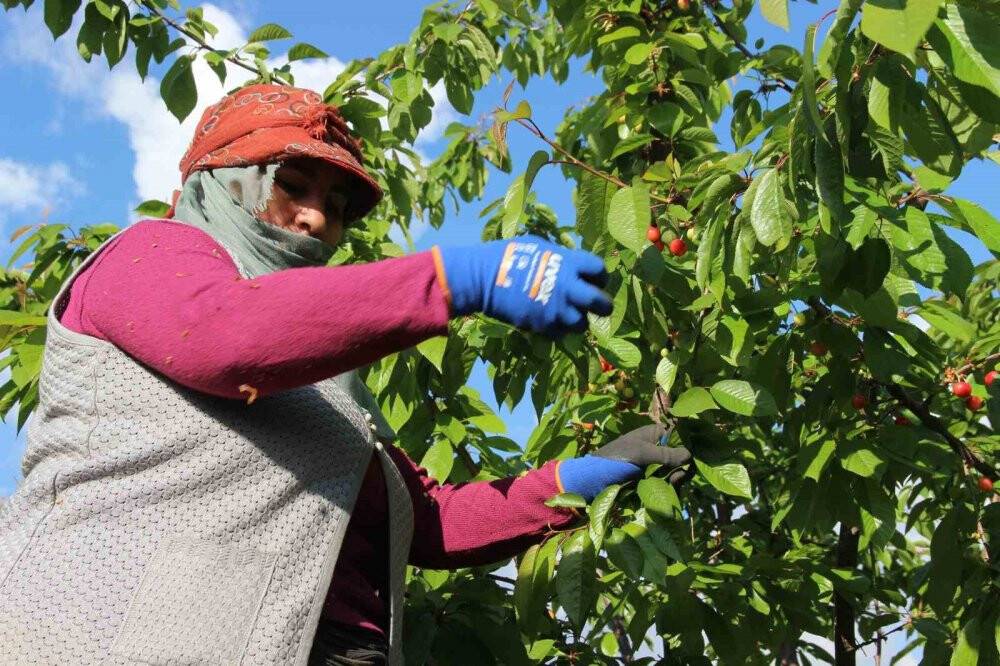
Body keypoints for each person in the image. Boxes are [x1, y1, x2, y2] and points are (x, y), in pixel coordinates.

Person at [0, 84, 691, 665]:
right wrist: (456, 280)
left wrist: (579, 479)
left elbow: (427, 524)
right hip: (115, 638)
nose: (315, 218)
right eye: (291, 186)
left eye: (335, 207)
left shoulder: (325, 381)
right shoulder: (151, 255)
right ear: (217, 181)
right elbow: (220, 336)